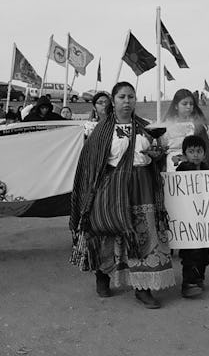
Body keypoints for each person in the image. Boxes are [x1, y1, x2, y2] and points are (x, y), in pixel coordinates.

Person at [70, 81, 174, 309]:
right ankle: (103, 275)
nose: (127, 101)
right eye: (122, 97)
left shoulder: (147, 128)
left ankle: (142, 287)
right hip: (111, 190)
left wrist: (157, 156)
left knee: (142, 235)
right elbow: (91, 164)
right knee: (108, 232)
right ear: (113, 101)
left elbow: (157, 159)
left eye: (131, 97)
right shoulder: (101, 131)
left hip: (142, 188)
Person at [174, 135, 209, 298]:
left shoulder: (208, 171)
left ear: (204, 153)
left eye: (199, 151)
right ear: (185, 154)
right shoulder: (182, 170)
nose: (195, 155)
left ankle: (199, 278)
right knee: (190, 253)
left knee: (204, 254)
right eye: (191, 151)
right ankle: (188, 283)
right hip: (187, 222)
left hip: (204, 220)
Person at [161, 89, 209, 173]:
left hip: (193, 170)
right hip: (170, 168)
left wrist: (208, 172)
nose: (188, 107)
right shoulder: (166, 126)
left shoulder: (197, 127)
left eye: (191, 104)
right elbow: (161, 151)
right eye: (184, 104)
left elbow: (206, 152)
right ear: (176, 106)